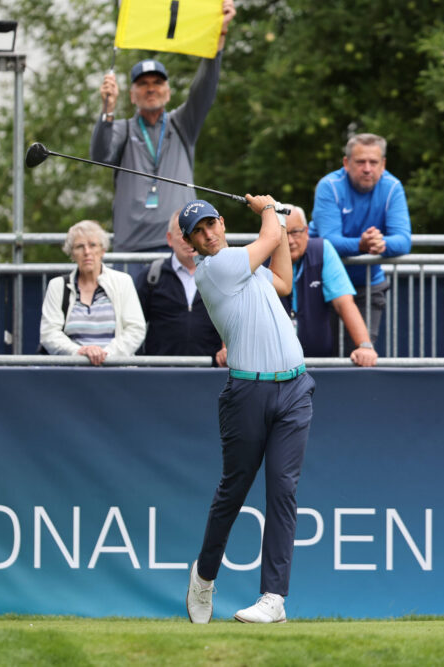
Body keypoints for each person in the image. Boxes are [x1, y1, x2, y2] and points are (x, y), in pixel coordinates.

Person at [180, 196, 315, 625]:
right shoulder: (216, 269)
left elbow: (283, 279)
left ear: (221, 222)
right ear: (191, 245)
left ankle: (273, 598)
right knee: (234, 492)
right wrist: (269, 209)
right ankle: (204, 576)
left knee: (283, 490)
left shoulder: (245, 266)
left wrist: (273, 218)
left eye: (211, 225)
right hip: (247, 394)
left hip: (294, 388)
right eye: (198, 232)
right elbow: (275, 232)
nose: (208, 234)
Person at [90, 0, 236, 260]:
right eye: (143, 84)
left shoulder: (182, 124)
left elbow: (204, 89)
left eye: (158, 83)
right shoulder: (122, 129)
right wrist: (107, 110)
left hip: (182, 245)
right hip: (132, 250)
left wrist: (220, 34)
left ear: (168, 93)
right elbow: (100, 156)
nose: (150, 88)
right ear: (132, 95)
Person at [311, 133, 411, 343]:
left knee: (363, 356)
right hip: (321, 282)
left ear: (383, 164)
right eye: (361, 162)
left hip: (366, 284)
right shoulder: (329, 186)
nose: (367, 168)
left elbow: (403, 241)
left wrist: (381, 243)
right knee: (318, 355)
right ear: (346, 163)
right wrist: (362, 245)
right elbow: (329, 241)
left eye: (373, 162)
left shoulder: (392, 187)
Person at [39, 220, 146, 364]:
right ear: (72, 253)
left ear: (102, 251)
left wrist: (105, 355)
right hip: (70, 374)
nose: (87, 252)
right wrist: (80, 353)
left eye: (92, 245)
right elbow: (49, 333)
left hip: (115, 374)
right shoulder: (57, 286)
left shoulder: (123, 282)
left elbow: (136, 329)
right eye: (79, 246)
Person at [282, 205, 377, 366]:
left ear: (306, 231)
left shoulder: (322, 249)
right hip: (271, 366)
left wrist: (365, 346)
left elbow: (344, 303)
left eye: (295, 232)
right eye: (283, 233)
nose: (290, 240)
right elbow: (243, 309)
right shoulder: (261, 257)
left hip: (318, 363)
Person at [135, 210, 226, 365]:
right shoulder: (151, 276)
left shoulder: (222, 274)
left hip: (211, 375)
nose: (190, 239)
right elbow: (134, 325)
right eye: (184, 233)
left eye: (195, 231)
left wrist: (228, 348)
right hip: (160, 374)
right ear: (169, 239)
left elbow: (235, 320)